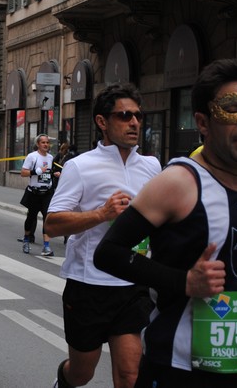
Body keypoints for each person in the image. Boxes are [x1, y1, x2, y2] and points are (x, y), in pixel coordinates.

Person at [93, 59, 237, 387]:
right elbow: (109, 252)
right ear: (203, 122)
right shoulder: (178, 182)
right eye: (233, 109)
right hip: (178, 369)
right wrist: (184, 282)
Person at [45, 83, 161, 388]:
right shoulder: (80, 167)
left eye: (138, 116)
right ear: (102, 122)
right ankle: (64, 380)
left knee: (130, 373)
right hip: (89, 285)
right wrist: (102, 214)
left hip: (132, 284)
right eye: (124, 116)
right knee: (82, 373)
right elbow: (53, 224)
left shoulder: (152, 166)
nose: (134, 122)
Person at [19, 134, 60, 256]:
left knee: (47, 219)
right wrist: (35, 172)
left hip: (47, 193)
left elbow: (48, 172)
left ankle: (46, 246)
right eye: (43, 143)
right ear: (38, 144)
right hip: (34, 193)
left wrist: (55, 174)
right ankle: (26, 240)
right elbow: (23, 173)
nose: (46, 145)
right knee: (31, 218)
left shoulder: (51, 157)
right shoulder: (32, 157)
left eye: (47, 142)